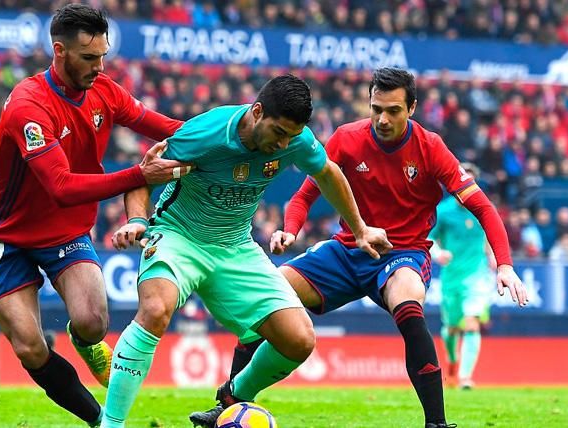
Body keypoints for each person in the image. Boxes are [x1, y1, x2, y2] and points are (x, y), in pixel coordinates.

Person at [189, 68, 528, 428]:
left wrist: (505, 265)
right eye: (376, 108)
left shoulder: (431, 148)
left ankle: (436, 423)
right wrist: (290, 230)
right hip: (346, 250)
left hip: (403, 253)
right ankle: (228, 404)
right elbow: (304, 195)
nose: (383, 119)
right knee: (268, 296)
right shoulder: (347, 138)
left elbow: (483, 207)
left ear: (411, 108)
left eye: (393, 110)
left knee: (409, 305)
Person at [103, 74, 392, 427]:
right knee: (155, 308)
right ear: (257, 112)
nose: (284, 143)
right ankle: (111, 424)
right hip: (179, 236)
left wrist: (360, 229)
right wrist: (137, 221)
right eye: (278, 132)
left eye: (291, 135)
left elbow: (328, 174)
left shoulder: (296, 140)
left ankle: (232, 396)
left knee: (299, 340)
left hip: (235, 245)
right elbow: (143, 177)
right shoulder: (205, 132)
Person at [0, 4, 190, 426]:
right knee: (31, 348)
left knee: (92, 322)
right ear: (59, 51)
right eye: (90, 58)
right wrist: (138, 175)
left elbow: (166, 126)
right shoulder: (28, 106)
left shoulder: (106, 91)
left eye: (103, 56)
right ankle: (99, 420)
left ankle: (82, 340)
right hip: (6, 237)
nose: (100, 66)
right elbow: (61, 186)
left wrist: (233, 135)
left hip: (64, 233)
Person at [429, 162, 494, 390]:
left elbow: (491, 231)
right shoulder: (443, 211)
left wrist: (494, 257)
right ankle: (453, 360)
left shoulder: (482, 207)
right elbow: (428, 238)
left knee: (471, 323)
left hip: (477, 276)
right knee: (451, 329)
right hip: (452, 277)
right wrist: (438, 253)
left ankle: (465, 377)